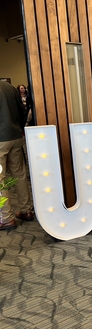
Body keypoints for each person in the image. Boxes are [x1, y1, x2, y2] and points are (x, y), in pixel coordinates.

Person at [0, 81, 35, 230]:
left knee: (0, 180)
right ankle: (26, 210)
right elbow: (23, 110)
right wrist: (19, 128)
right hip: (15, 137)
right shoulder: (8, 86)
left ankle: (6, 218)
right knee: (19, 174)